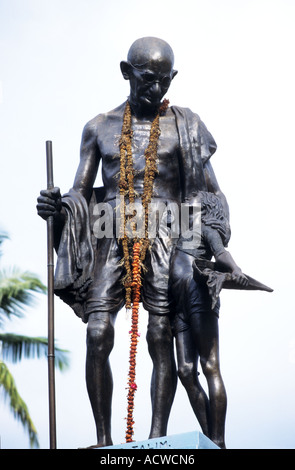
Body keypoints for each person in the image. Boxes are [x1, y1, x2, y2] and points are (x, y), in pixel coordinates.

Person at [36, 36, 230, 447]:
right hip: (110, 234)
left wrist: (212, 243)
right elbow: (78, 194)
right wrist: (56, 209)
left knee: (160, 336)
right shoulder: (99, 128)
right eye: (147, 80)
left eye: (164, 81)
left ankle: (156, 437)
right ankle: (104, 439)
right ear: (127, 73)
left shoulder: (186, 126)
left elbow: (210, 195)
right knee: (97, 333)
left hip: (166, 235)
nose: (156, 90)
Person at [169, 190, 248, 448]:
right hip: (178, 303)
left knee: (210, 365)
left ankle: (219, 439)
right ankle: (209, 435)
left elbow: (221, 254)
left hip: (198, 295)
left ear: (203, 207)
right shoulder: (177, 233)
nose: (185, 199)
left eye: (191, 197)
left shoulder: (205, 229)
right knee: (185, 371)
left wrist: (235, 270)